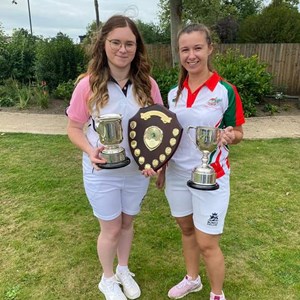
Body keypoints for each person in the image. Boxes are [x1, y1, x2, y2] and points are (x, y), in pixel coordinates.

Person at [66, 15, 163, 300]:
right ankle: (107, 279)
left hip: (136, 172)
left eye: (129, 43)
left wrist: (153, 159)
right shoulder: (89, 84)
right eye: (116, 42)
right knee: (110, 228)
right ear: (103, 44)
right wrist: (89, 149)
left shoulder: (148, 84)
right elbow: (73, 128)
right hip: (102, 171)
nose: (123, 49)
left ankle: (123, 269)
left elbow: (157, 128)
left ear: (137, 47)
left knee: (127, 223)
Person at [156, 23, 245, 300]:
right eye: (185, 49)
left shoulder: (225, 91)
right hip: (177, 174)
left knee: (207, 242)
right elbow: (169, 134)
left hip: (212, 175)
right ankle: (192, 279)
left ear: (209, 49)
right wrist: (161, 165)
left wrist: (231, 135)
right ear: (178, 53)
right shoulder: (173, 93)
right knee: (186, 229)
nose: (191, 55)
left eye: (197, 48)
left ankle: (217, 294)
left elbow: (238, 132)